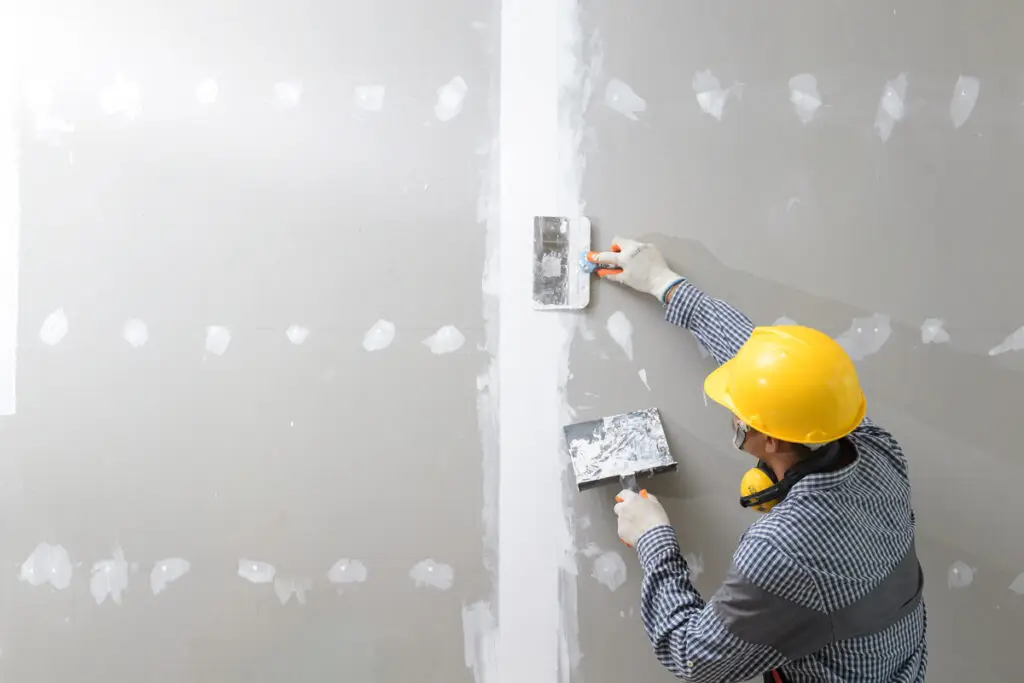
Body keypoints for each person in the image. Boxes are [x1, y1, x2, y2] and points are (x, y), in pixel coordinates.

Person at [589, 237, 927, 683]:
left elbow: (694, 656)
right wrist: (663, 282)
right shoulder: (877, 450)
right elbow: (769, 366)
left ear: (766, 438)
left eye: (739, 408)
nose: (732, 412)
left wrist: (654, 539)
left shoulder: (783, 549)